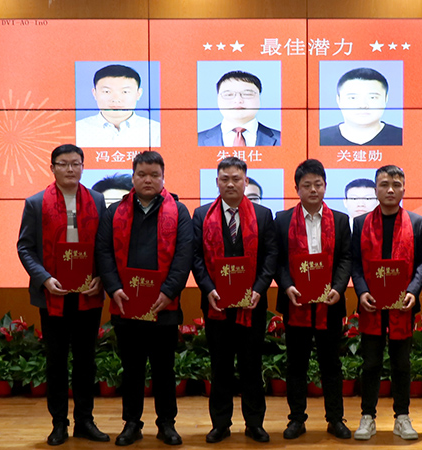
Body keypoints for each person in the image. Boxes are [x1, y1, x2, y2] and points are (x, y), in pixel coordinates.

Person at [95, 151, 193, 446]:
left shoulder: (179, 211)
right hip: (126, 303)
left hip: (164, 306)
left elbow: (184, 255)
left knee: (164, 369)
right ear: (133, 177)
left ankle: (166, 424)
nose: (148, 180)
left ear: (163, 177)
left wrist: (169, 291)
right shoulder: (114, 212)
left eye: (154, 175)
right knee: (132, 369)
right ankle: (131, 423)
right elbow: (103, 252)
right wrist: (114, 288)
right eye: (142, 174)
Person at [17, 144, 109, 446]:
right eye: (63, 164)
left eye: (75, 163)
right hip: (52, 294)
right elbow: (25, 247)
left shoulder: (97, 200)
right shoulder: (36, 203)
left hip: (88, 293)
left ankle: (85, 421)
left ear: (83, 167)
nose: (70, 169)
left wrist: (100, 277)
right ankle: (59, 424)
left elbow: (104, 246)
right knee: (56, 362)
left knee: (85, 361)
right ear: (52, 168)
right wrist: (44, 279)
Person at [192, 157, 278, 443]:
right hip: (216, 305)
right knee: (221, 366)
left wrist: (259, 289)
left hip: (252, 305)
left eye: (236, 179)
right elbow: (196, 258)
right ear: (217, 182)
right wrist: (207, 289)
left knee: (252, 365)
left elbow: (270, 256)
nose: (230, 184)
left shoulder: (263, 215)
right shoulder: (201, 215)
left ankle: (254, 423)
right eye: (225, 179)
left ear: (246, 181)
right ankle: (221, 424)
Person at [275, 159, 353, 440]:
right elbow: (278, 260)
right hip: (296, 303)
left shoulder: (340, 220)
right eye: (306, 185)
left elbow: (346, 258)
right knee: (296, 365)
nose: (312, 190)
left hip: (329, 304)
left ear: (325, 186)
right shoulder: (282, 220)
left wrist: (339, 288)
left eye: (317, 184)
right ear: (297, 189)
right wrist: (287, 286)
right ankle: (297, 419)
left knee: (331, 365)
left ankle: (335, 419)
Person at [351, 165, 422, 440]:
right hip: (371, 304)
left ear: (404, 189)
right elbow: (355, 264)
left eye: (396, 184)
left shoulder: (417, 223)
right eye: (384, 184)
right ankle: (367, 417)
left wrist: (413, 291)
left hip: (402, 305)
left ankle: (402, 417)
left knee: (402, 364)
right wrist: (361, 292)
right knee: (370, 364)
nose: (390, 190)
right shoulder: (361, 223)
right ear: (376, 189)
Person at [76, 64, 161, 148]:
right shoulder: (78, 130)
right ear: (95, 93)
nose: (116, 99)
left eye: (125, 92)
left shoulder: (156, 131)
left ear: (138, 93)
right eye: (107, 91)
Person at [320, 68, 402, 146]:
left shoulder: (403, 137)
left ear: (386, 99)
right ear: (338, 100)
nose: (363, 105)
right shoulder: (320, 138)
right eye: (353, 98)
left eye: (372, 97)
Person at [198, 71, 281, 147]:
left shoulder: (282, 139)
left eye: (247, 94)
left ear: (259, 98)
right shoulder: (197, 140)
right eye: (229, 95)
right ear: (218, 99)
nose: (238, 100)